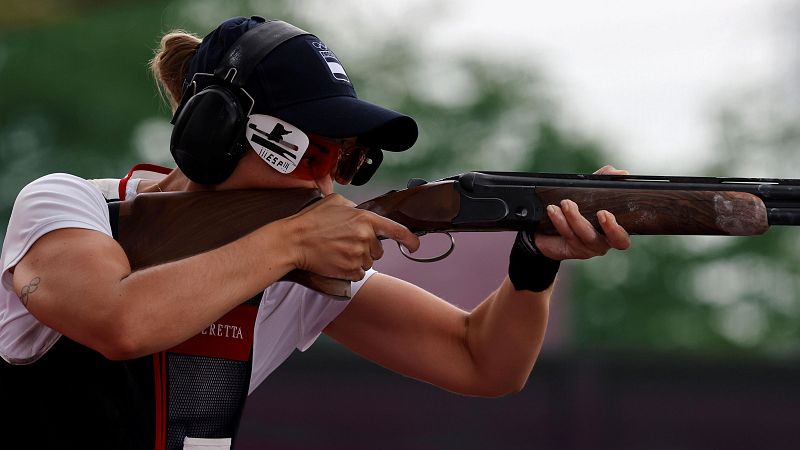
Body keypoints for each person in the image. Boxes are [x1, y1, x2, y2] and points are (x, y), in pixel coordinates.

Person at [0, 16, 630, 450]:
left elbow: (481, 361)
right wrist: (290, 245)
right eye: (302, 150)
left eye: (347, 159)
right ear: (211, 131)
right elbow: (119, 322)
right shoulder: (67, 206)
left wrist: (533, 261)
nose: (327, 182)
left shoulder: (290, 265)